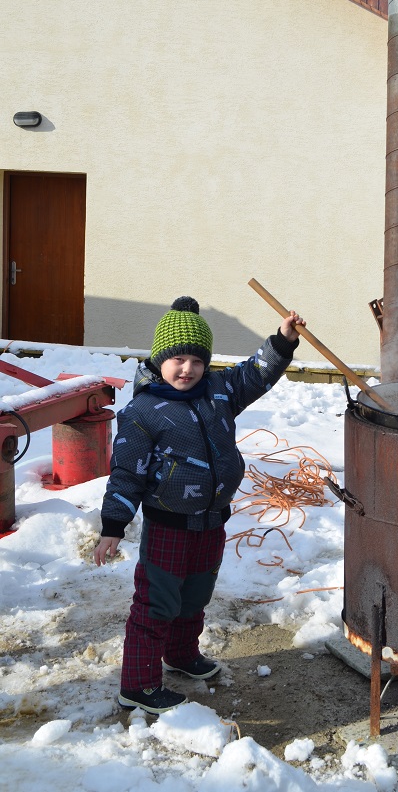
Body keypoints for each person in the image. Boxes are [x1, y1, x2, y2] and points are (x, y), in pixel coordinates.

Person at [94, 295, 305, 714]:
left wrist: (282, 340)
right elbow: (127, 474)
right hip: (168, 527)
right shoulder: (143, 411)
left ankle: (181, 654)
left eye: (196, 360)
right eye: (178, 360)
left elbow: (256, 373)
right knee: (156, 605)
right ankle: (138, 685)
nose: (187, 369)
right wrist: (113, 526)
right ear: (160, 360)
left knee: (195, 597)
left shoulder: (219, 392)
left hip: (211, 522)